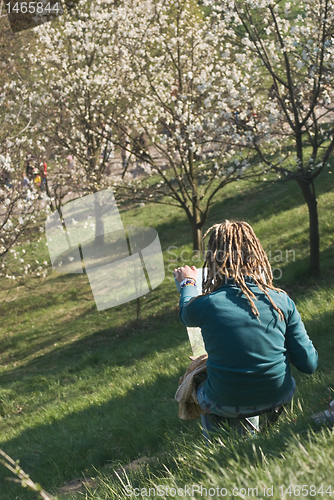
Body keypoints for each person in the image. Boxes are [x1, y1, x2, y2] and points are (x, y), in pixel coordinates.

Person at [174, 220, 318, 441]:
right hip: (278, 395)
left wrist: (187, 283)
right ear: (256, 256)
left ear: (213, 259)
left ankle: (217, 450)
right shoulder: (280, 300)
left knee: (198, 381)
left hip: (223, 400)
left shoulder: (207, 305)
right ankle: (252, 440)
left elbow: (186, 313)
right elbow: (309, 364)